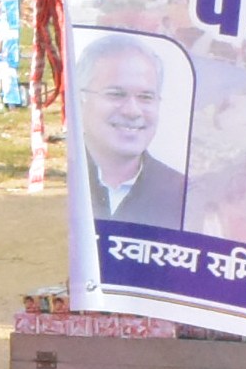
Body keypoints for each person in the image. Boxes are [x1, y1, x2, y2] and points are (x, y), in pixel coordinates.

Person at [77, 36, 191, 233]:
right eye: (116, 94)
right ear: (80, 99)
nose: (132, 111)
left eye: (146, 97)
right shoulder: (58, 179)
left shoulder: (184, 195)